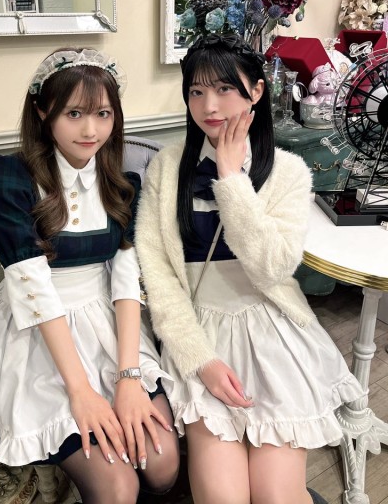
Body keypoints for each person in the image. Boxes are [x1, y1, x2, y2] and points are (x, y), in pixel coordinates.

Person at [135, 34, 365, 504]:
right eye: (196, 91)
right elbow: (159, 277)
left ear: (256, 91)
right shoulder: (167, 168)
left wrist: (231, 179)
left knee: (278, 497)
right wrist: (201, 360)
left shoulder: (288, 171)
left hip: (270, 334)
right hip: (199, 333)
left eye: (224, 88)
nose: (209, 105)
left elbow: (273, 268)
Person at [0, 48, 179, 504]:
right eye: (74, 113)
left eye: (103, 114)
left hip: (107, 325)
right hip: (37, 331)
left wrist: (128, 377)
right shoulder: (8, 178)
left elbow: (125, 280)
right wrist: (81, 392)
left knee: (163, 465)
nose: (91, 130)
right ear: (43, 111)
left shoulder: (122, 185)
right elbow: (32, 288)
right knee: (117, 488)